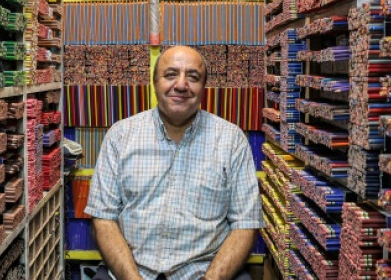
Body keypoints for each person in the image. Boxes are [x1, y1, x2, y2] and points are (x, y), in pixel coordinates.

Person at [85, 45, 263, 280]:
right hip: (130, 271)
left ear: (203, 87)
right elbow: (103, 218)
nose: (181, 85)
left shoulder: (231, 140)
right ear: (155, 82)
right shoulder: (120, 136)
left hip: (206, 272)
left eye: (193, 77)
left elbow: (245, 225)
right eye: (170, 75)